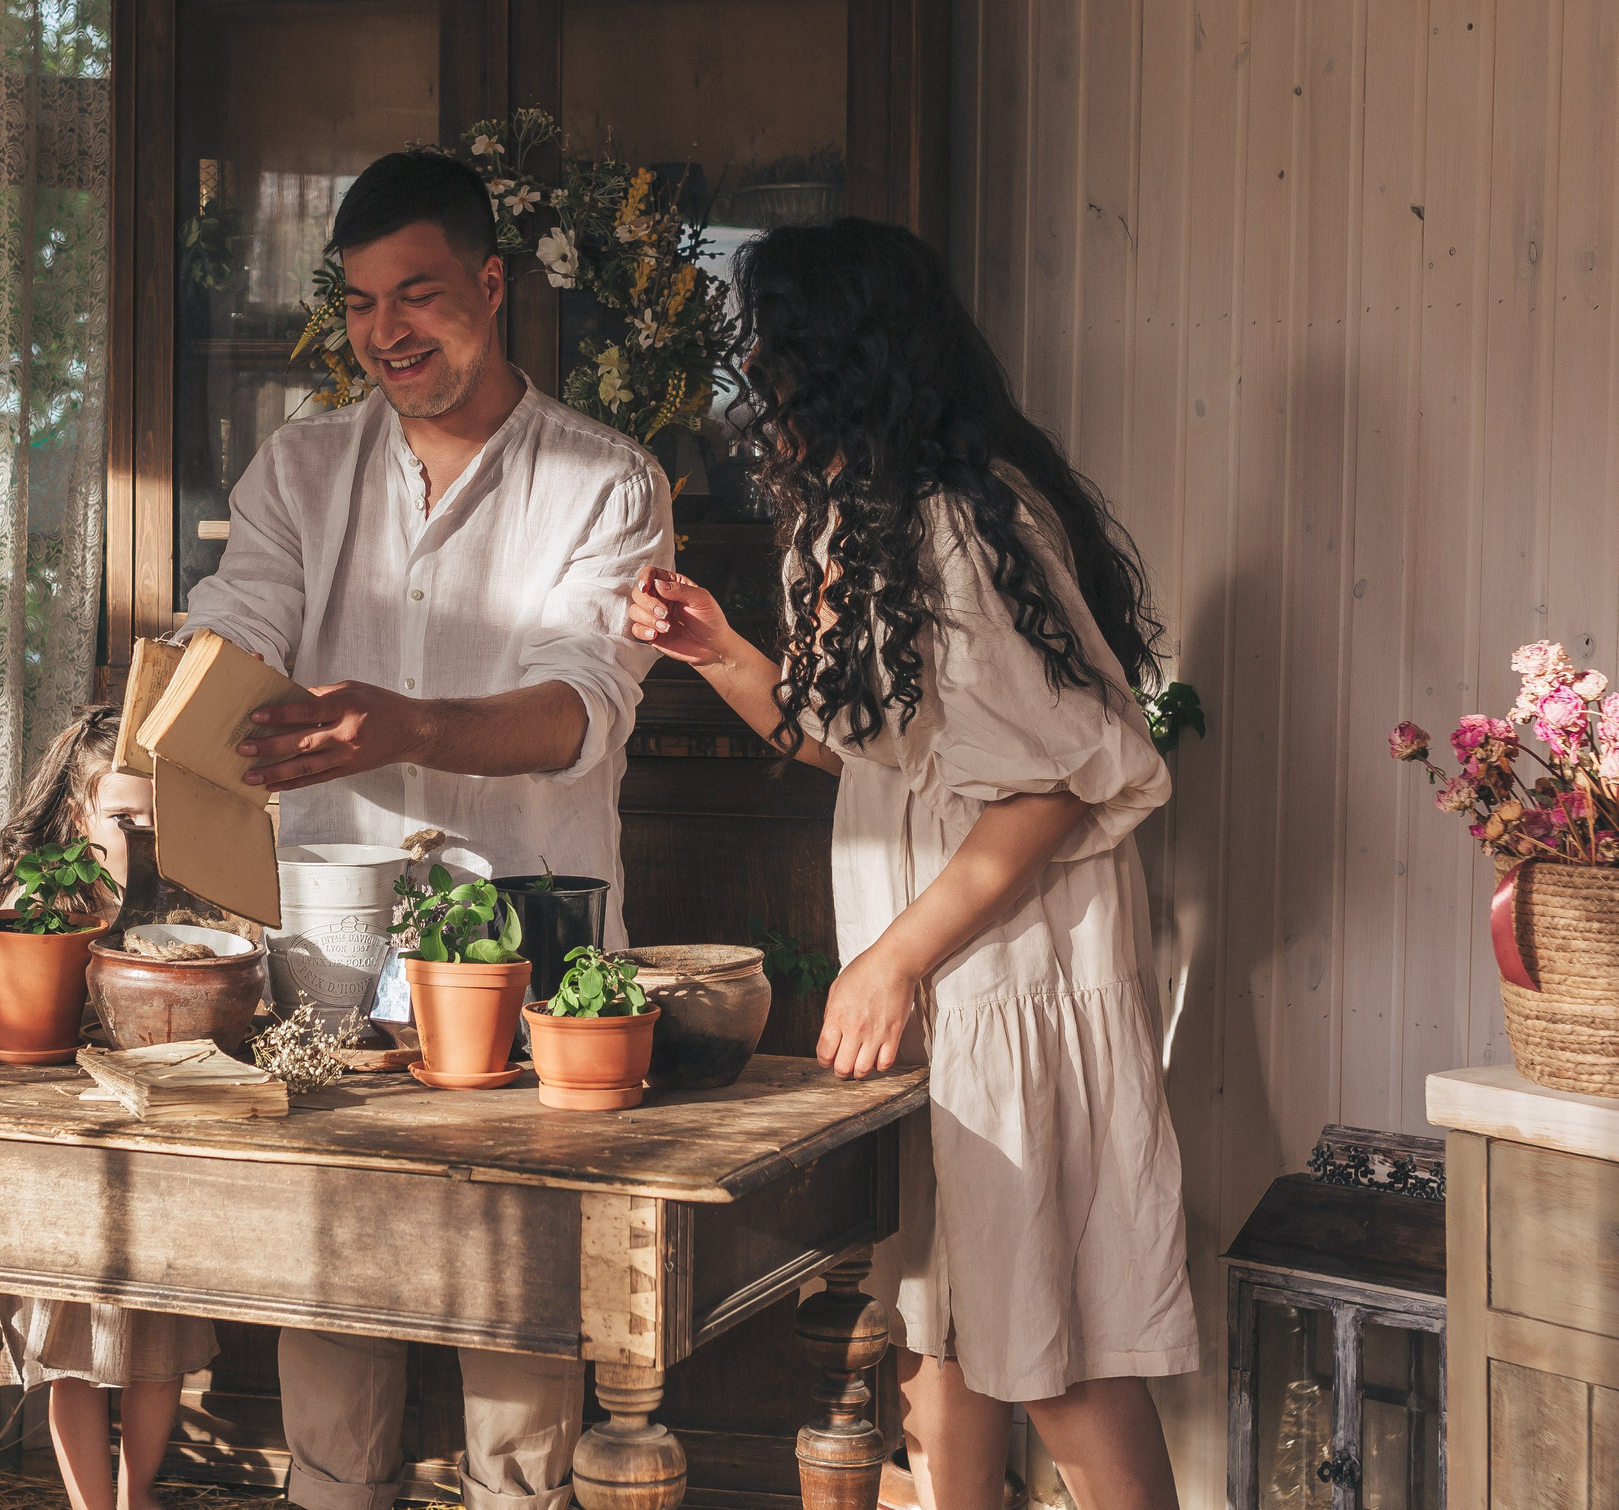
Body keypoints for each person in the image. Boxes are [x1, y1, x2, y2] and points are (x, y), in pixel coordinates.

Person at [625, 220, 1197, 1510]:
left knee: (1057, 1353)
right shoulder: (860, 519)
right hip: (950, 969)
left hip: (1009, 974)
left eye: (773, 355)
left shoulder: (953, 523)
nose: (754, 387)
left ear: (841, 361)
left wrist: (890, 960)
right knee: (940, 1322)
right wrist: (716, 649)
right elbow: (878, 760)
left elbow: (1053, 786)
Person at [179, 149, 675, 1510]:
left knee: (519, 1344)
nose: (386, 331)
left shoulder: (607, 480)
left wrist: (409, 724)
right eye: (358, 303)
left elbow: (583, 707)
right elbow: (244, 617)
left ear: (493, 285)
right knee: (330, 1322)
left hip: (530, 956)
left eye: (419, 294)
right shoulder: (301, 465)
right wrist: (171, 716)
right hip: (330, 967)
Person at [0, 706, 210, 1510]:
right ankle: (91, 1503)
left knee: (158, 1340)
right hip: (64, 1153)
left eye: (152, 818)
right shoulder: (44, 899)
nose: (137, 836)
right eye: (120, 818)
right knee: (71, 1345)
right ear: (78, 813)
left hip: (156, 1149)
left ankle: (136, 1492)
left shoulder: (183, 905)